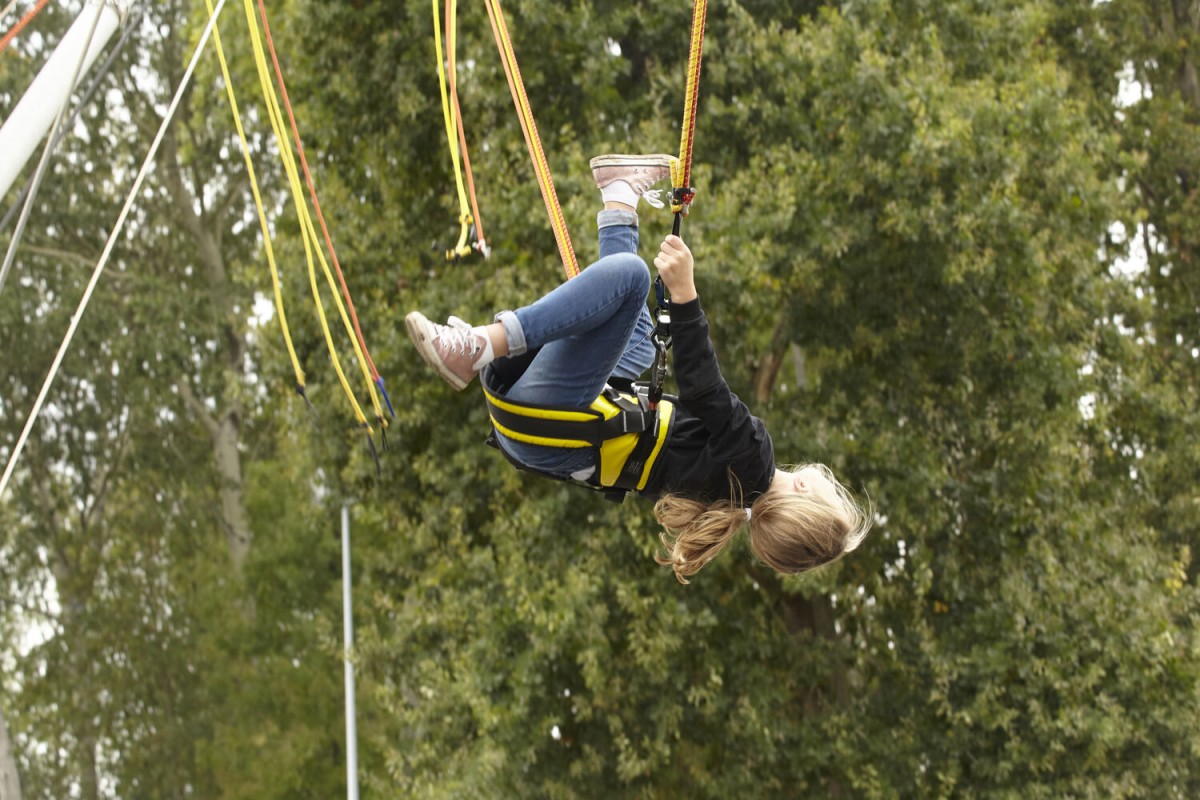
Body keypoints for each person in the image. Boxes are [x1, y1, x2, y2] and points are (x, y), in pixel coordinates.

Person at [406, 154, 871, 582]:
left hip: (554, 424)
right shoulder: (727, 502)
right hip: (536, 437)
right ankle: (620, 193)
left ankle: (474, 347)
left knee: (629, 277)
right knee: (642, 348)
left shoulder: (755, 460)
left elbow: (704, 389)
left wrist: (685, 296)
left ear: (808, 489)